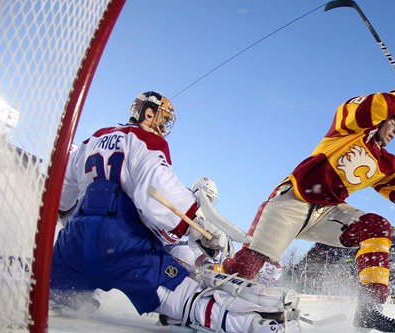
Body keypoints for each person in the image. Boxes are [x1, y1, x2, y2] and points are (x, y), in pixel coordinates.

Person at [222, 87, 395, 332]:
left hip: (328, 212)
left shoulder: (389, 164)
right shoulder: (349, 129)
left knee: (378, 227)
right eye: (393, 125)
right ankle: (210, 294)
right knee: (244, 273)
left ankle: (368, 309)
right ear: (380, 121)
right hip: (293, 201)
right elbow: (363, 108)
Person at [50, 91, 301, 333]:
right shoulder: (146, 141)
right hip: (123, 245)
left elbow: (63, 200)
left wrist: (81, 231)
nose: (164, 125)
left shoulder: (90, 141)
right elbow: (158, 189)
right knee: (185, 297)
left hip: (73, 244)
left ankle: (64, 295)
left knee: (57, 290)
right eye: (163, 118)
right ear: (148, 114)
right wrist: (199, 226)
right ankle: (258, 324)